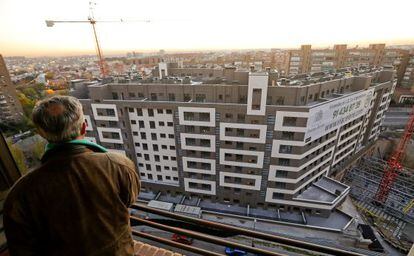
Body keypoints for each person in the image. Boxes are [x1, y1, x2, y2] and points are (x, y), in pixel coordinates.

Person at [4, 95, 140, 256]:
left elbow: (22, 248)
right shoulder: (118, 165)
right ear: (84, 127)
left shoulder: (21, 193)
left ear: (41, 133)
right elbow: (128, 200)